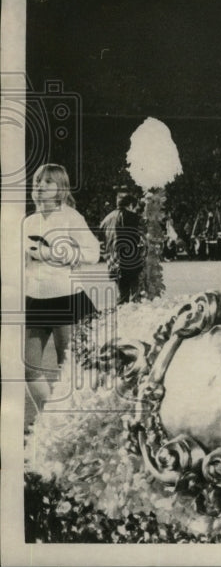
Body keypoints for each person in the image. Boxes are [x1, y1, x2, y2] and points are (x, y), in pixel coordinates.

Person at [22, 163, 101, 411]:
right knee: (29, 367)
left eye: (48, 182)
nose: (41, 186)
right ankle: (49, 419)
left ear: (61, 188)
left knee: (70, 367)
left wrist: (53, 253)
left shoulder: (71, 217)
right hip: (34, 298)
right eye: (38, 181)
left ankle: (72, 423)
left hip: (65, 298)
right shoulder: (28, 221)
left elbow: (94, 252)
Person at [99, 191, 145, 304]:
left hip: (113, 261)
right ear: (130, 205)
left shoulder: (106, 219)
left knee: (122, 295)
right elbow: (136, 237)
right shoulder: (130, 216)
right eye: (134, 207)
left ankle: (122, 317)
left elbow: (101, 240)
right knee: (135, 297)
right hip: (130, 260)